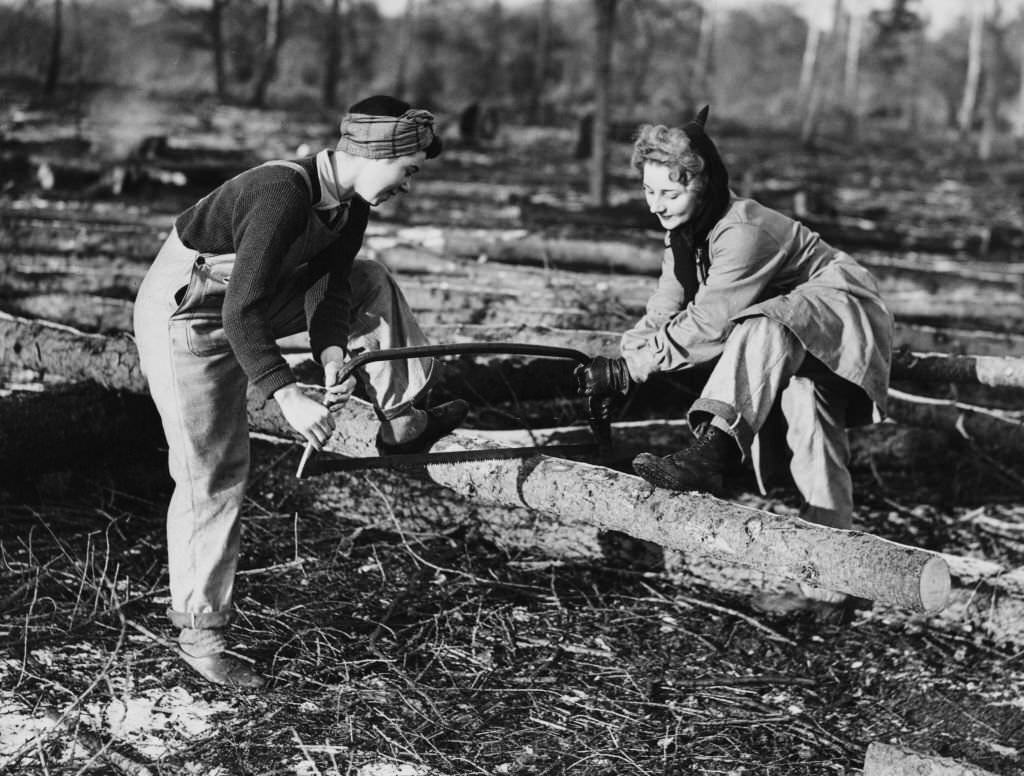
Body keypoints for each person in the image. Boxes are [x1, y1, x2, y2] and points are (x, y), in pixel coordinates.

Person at [133, 95, 469, 688]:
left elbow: (329, 286)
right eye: (409, 169)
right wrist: (287, 393)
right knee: (211, 469)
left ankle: (401, 416)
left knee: (371, 279)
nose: (408, 186)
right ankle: (201, 634)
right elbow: (240, 313)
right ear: (376, 153)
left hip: (249, 305)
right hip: (186, 316)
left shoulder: (350, 206)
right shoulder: (282, 192)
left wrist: (332, 354)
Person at [576, 107, 893, 621]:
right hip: (793, 332)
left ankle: (713, 450)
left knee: (760, 324)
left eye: (670, 194)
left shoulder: (741, 231)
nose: (657, 205)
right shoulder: (682, 237)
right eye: (649, 192)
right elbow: (664, 309)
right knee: (814, 440)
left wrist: (633, 370)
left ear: (703, 186)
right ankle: (830, 588)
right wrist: (622, 359)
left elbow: (710, 324)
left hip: (840, 309)